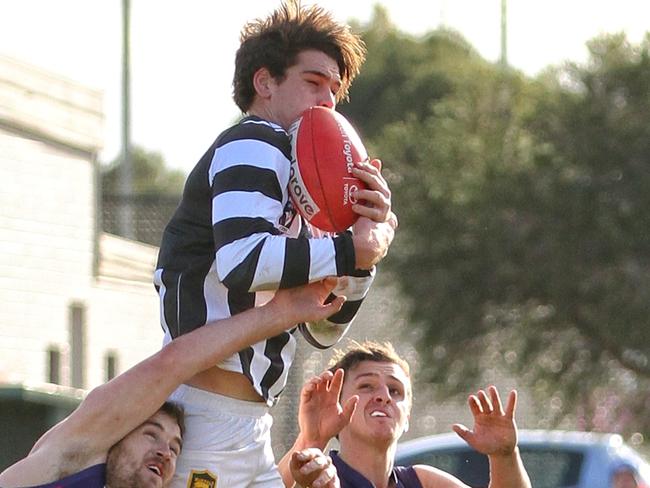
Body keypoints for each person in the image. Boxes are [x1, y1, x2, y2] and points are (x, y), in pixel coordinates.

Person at [153, 1, 396, 486]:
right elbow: (242, 261)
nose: (327, 100)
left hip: (251, 426)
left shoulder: (300, 178)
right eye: (313, 82)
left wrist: (364, 251)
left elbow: (324, 328)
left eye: (334, 89)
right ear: (265, 83)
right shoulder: (256, 139)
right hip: (205, 415)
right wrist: (351, 249)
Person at [0, 279, 344, 488]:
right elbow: (173, 364)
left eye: (177, 448)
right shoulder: (66, 459)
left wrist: (310, 441)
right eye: (150, 434)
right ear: (115, 439)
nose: (166, 452)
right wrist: (279, 314)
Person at [279, 341, 532, 488]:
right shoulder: (319, 474)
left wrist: (504, 456)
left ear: (407, 417)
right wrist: (311, 440)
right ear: (335, 404)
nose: (384, 396)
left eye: (396, 390)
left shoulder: (420, 481)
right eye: (366, 386)